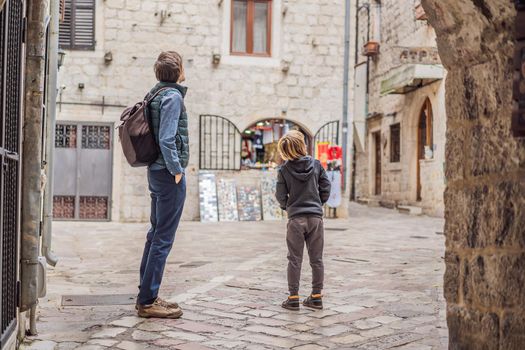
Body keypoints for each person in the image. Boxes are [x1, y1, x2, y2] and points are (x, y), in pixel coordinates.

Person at [137, 51, 189, 319]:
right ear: (177, 70)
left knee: (155, 234)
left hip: (156, 173)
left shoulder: (155, 94)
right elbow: (167, 139)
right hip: (168, 175)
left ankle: (147, 293)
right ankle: (147, 301)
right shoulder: (172, 97)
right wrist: (177, 171)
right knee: (163, 239)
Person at [275, 130, 331, 311]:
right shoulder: (316, 165)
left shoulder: (284, 169)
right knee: (317, 259)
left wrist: (288, 207)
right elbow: (326, 187)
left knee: (294, 260)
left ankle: (293, 298)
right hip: (315, 219)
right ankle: (316, 296)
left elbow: (280, 196)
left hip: (295, 220)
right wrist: (317, 204)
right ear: (302, 145)